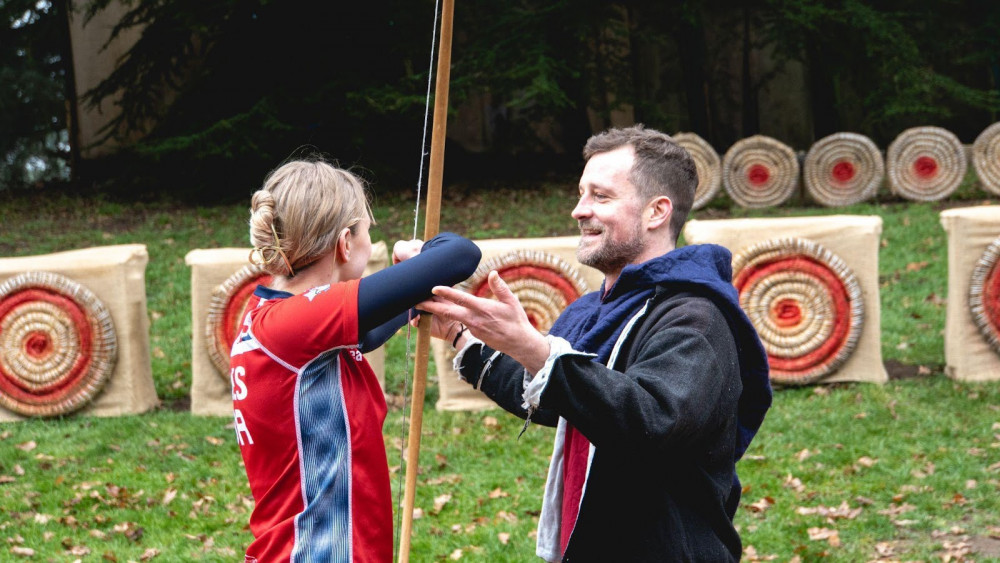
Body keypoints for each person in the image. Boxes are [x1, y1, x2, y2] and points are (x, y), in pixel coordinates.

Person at [418, 125, 772, 562]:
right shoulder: (596, 311)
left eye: (601, 197)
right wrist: (460, 335)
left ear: (656, 211)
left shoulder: (695, 317)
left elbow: (652, 418)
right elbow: (559, 399)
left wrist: (536, 350)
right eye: (582, 193)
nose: (579, 210)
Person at [229, 158, 481, 562]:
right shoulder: (296, 322)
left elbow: (372, 329)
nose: (371, 241)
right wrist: (416, 257)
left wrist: (410, 291)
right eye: (367, 230)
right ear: (345, 243)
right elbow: (460, 255)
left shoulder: (275, 316)